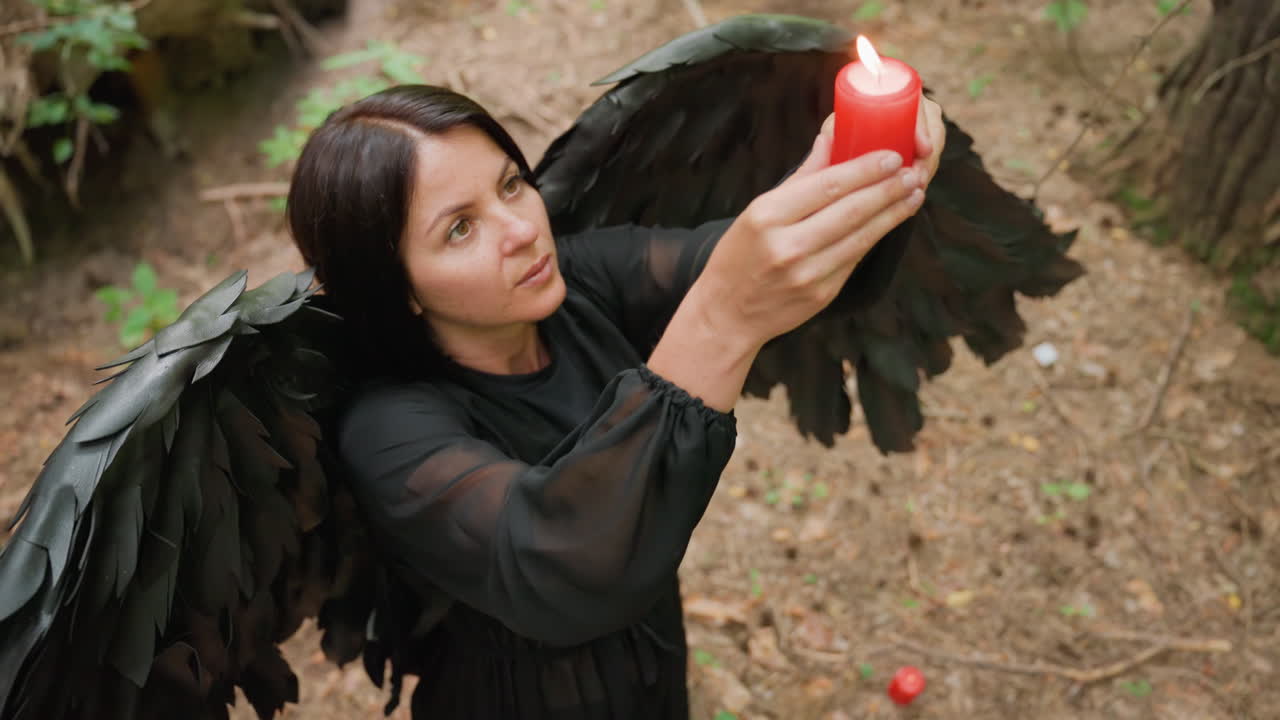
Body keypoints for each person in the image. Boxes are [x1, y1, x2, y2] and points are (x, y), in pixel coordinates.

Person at [285, 84, 945, 718]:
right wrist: (720, 321)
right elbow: (568, 561)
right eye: (460, 229)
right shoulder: (388, 431)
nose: (519, 229)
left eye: (511, 184)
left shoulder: (580, 281)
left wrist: (861, 176)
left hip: (651, 667)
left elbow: (750, 263)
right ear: (397, 287)